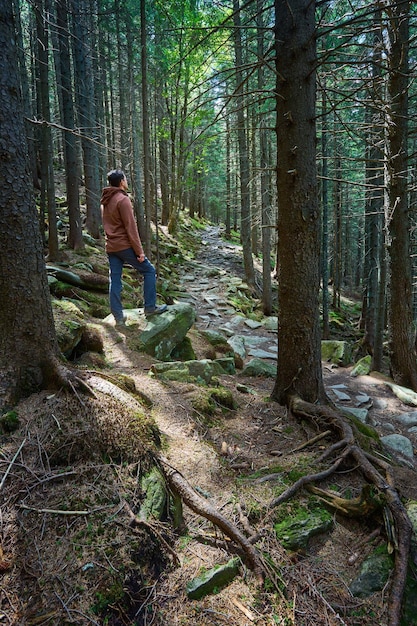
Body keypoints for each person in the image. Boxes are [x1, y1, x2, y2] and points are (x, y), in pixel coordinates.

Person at [100, 169, 167, 326]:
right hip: (124, 245)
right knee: (149, 271)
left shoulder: (105, 200)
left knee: (114, 280)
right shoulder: (122, 200)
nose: (127, 181)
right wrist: (139, 252)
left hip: (111, 246)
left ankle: (118, 317)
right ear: (122, 182)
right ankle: (150, 307)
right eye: (126, 179)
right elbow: (131, 228)